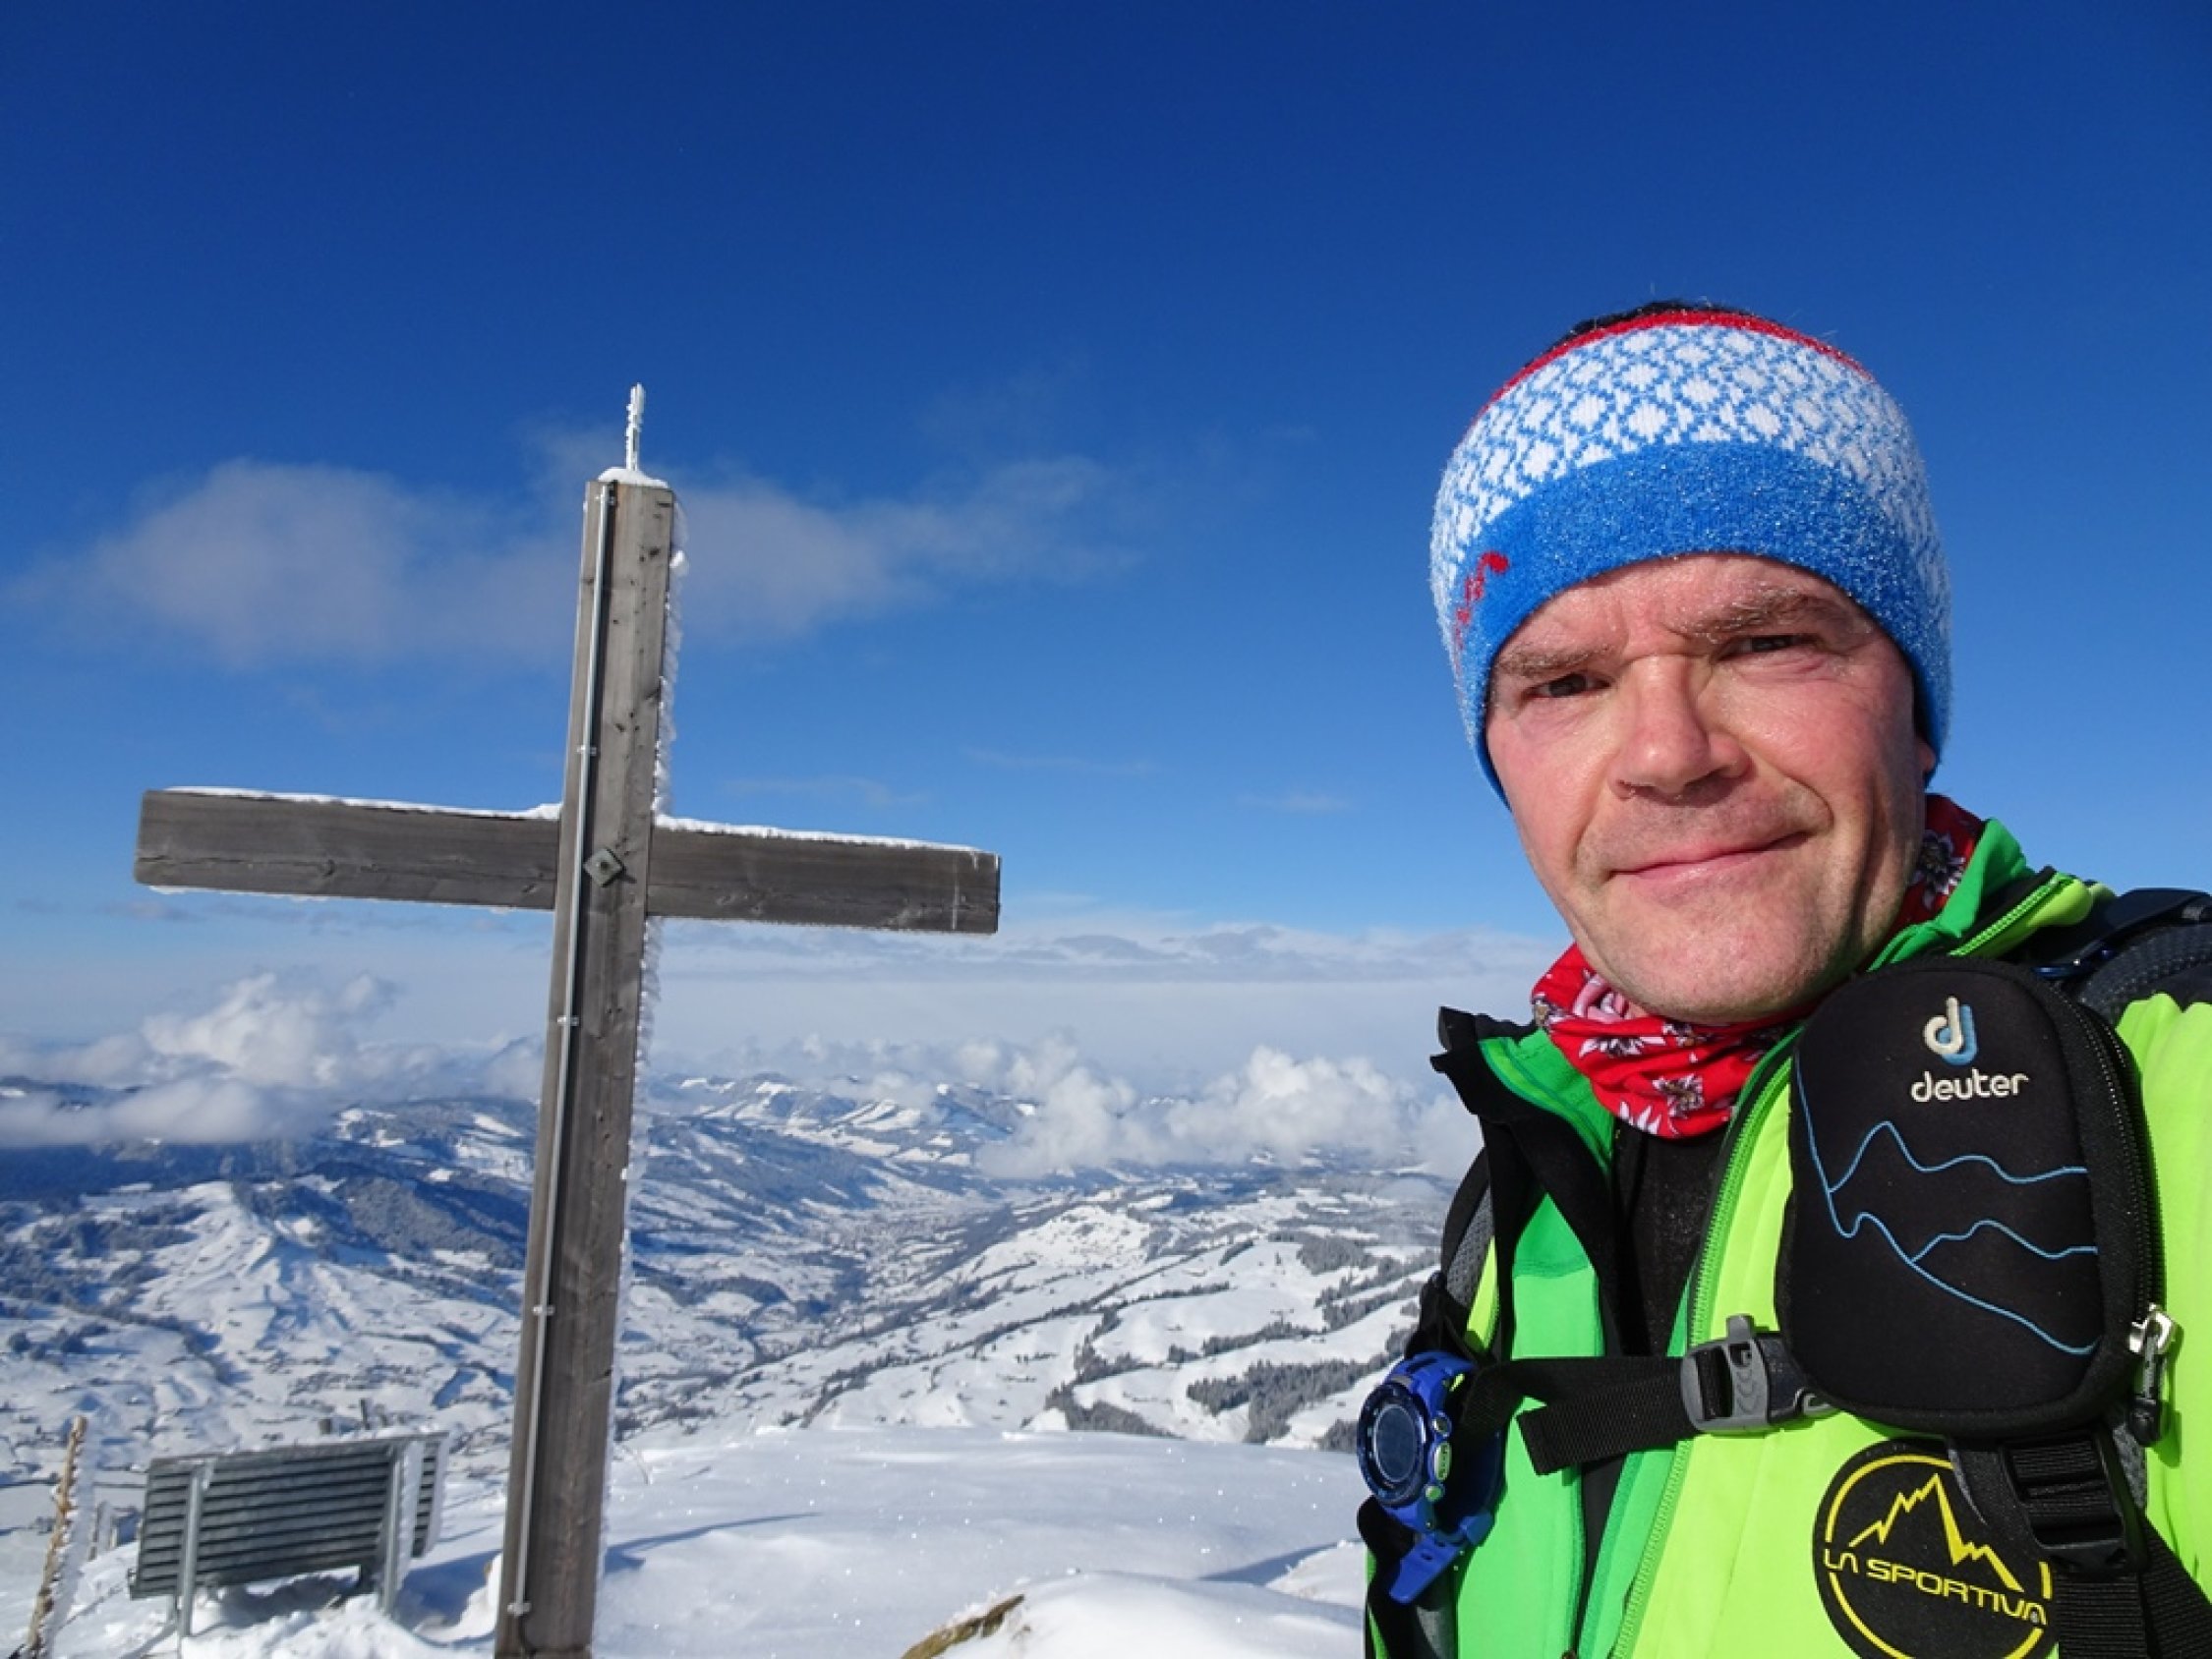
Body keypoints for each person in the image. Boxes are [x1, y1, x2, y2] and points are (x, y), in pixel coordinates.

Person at [1359, 302, 2212, 1658]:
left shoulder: (2170, 1087)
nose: (1667, 755)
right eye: (1563, 681)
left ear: (1912, 708)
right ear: (1500, 761)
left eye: (1764, 642)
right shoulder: (1531, 1175)